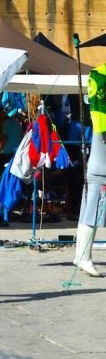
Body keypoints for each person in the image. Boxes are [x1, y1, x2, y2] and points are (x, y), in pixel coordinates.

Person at [74, 63, 106, 277]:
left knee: (88, 212)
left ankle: (80, 256)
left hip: (98, 170)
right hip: (100, 173)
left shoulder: (97, 75)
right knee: (91, 214)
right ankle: (84, 258)